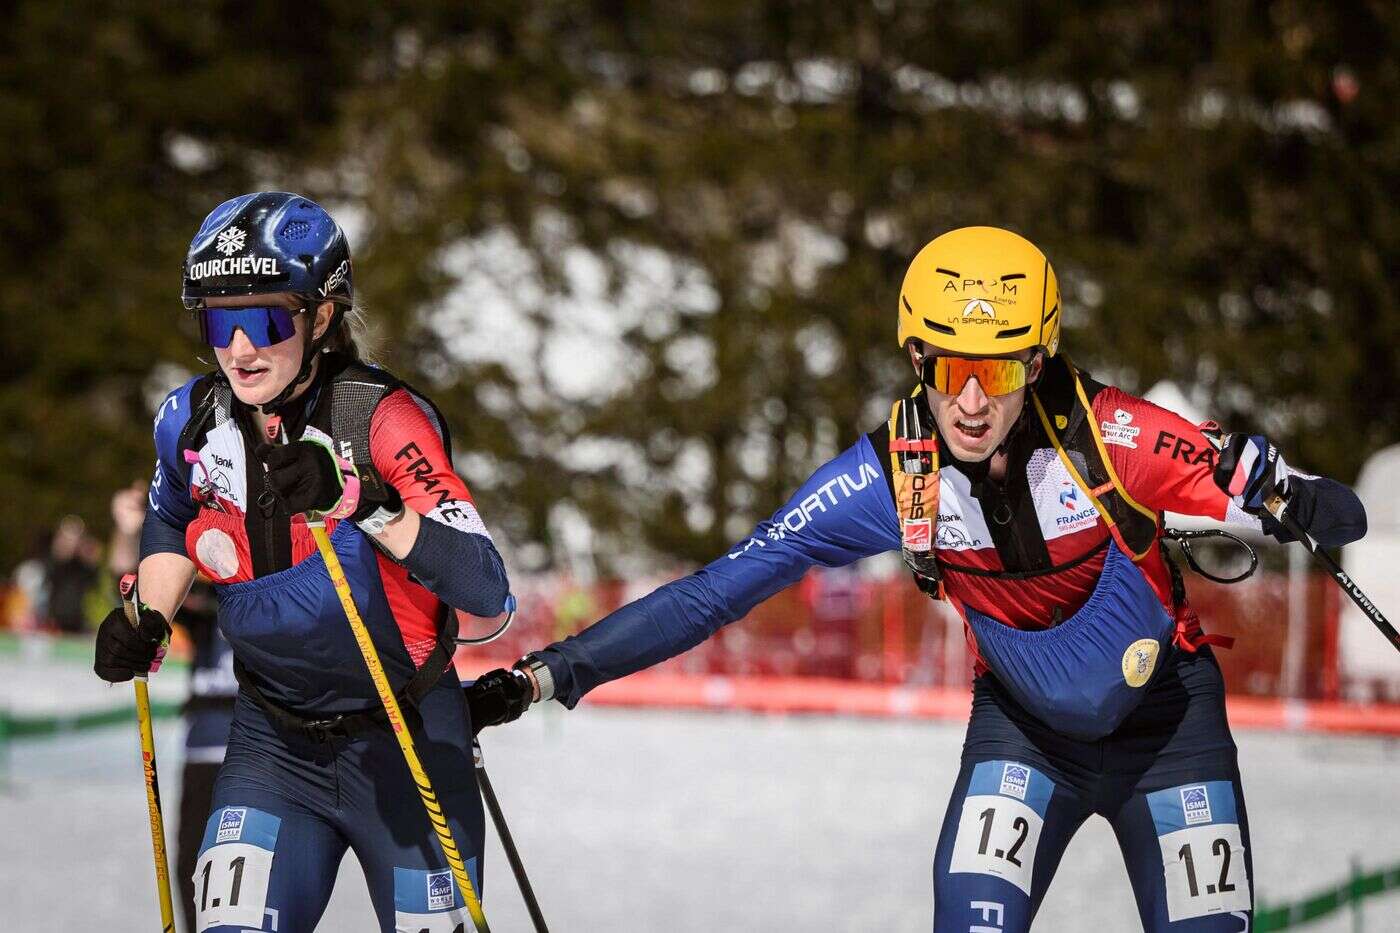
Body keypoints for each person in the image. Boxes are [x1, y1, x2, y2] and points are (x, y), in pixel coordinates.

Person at [467, 226, 1368, 931]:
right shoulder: (894, 477)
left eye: (999, 368)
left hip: (1170, 728)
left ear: (1038, 364)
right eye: (947, 368)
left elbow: (1339, 517)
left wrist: (1275, 486)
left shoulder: (1113, 435)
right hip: (1026, 737)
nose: (971, 400)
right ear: (915, 360)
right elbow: (718, 591)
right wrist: (551, 672)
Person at [92, 192, 510, 933]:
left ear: (321, 317)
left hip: (407, 737)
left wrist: (367, 504)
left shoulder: (381, 418)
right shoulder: (189, 420)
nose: (241, 348)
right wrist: (144, 617)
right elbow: (171, 519)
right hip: (273, 744)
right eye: (221, 321)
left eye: (265, 320)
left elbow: (485, 586)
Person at [108, 480, 236, 933]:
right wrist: (129, 530)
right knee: (191, 860)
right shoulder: (206, 605)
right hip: (205, 744)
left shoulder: (277, 593)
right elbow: (134, 600)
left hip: (261, 750)